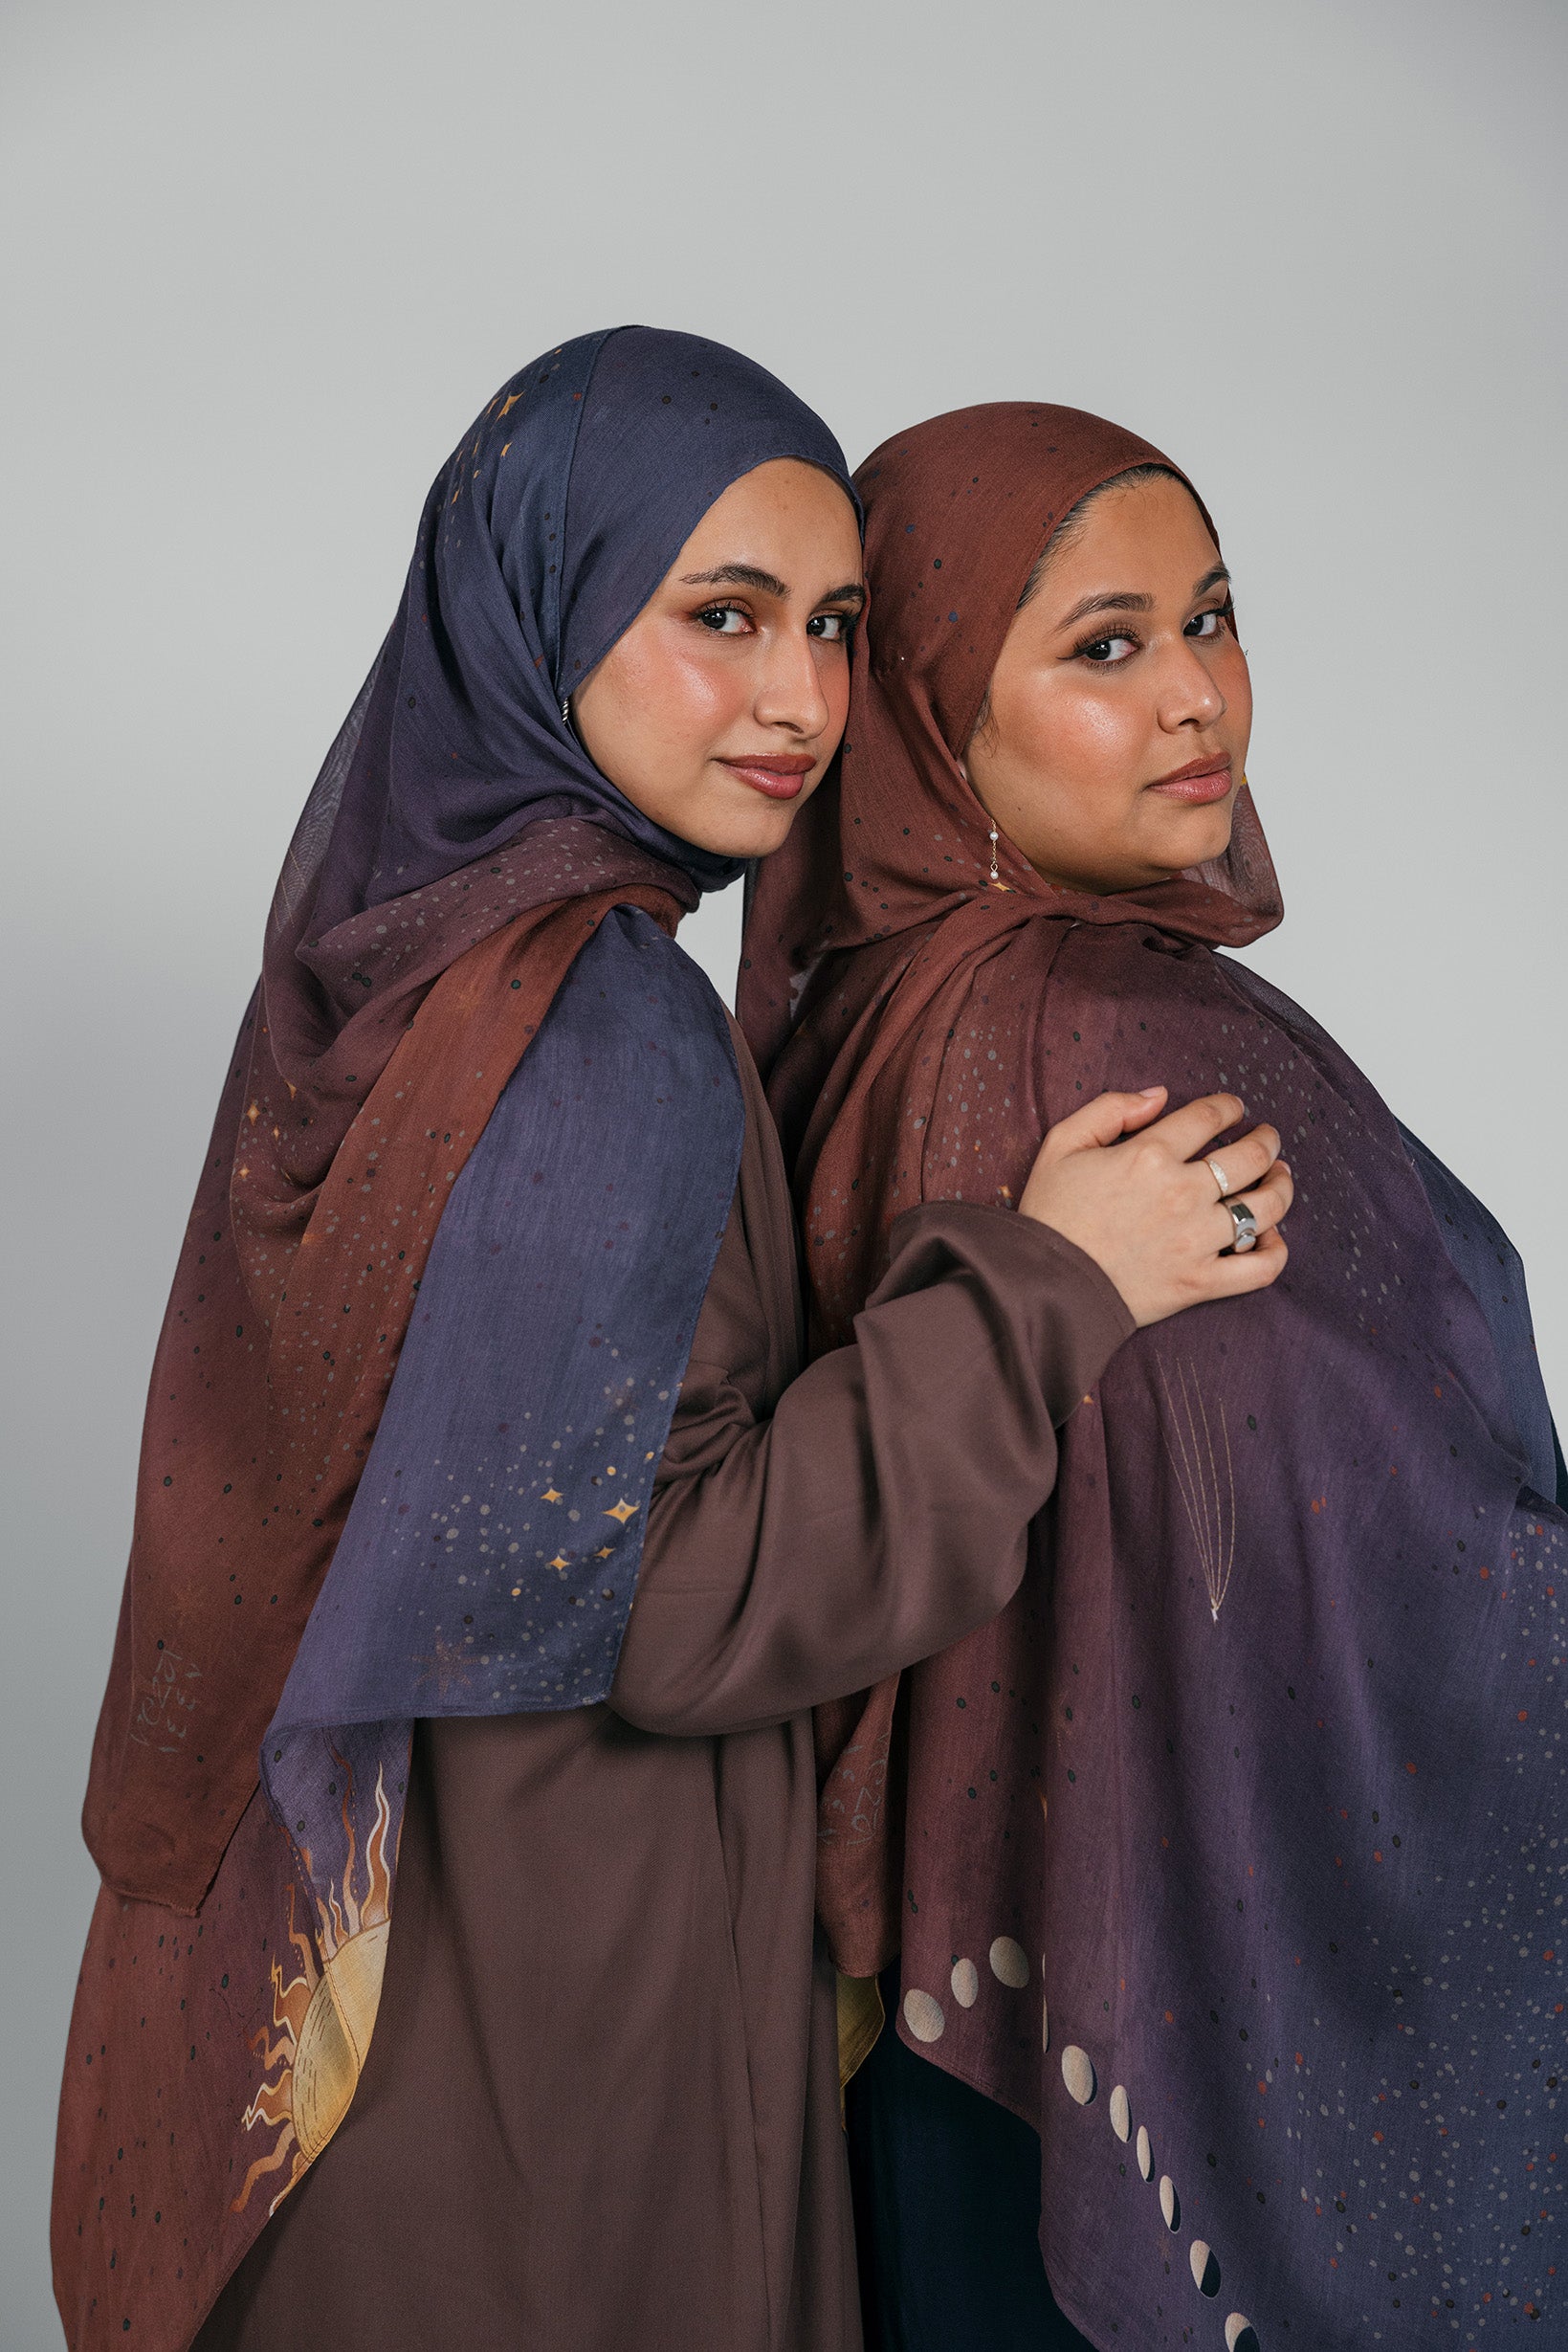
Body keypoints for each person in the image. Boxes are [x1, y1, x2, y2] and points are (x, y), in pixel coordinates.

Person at [52, 341, 1285, 2352]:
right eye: (721, 617)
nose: (799, 699)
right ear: (546, 616)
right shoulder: (606, 1025)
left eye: (837, 627)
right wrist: (1048, 1285)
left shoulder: (404, 944)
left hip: (343, 1988)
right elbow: (675, 1600)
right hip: (556, 2053)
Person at [742, 402, 1568, 2350]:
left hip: (971, 2020)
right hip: (1162, 2034)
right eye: (1103, 646)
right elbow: (1309, 1495)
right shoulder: (1103, 1039)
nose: (1198, 693)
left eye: (1210, 616)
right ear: (932, 710)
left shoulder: (879, 1006)